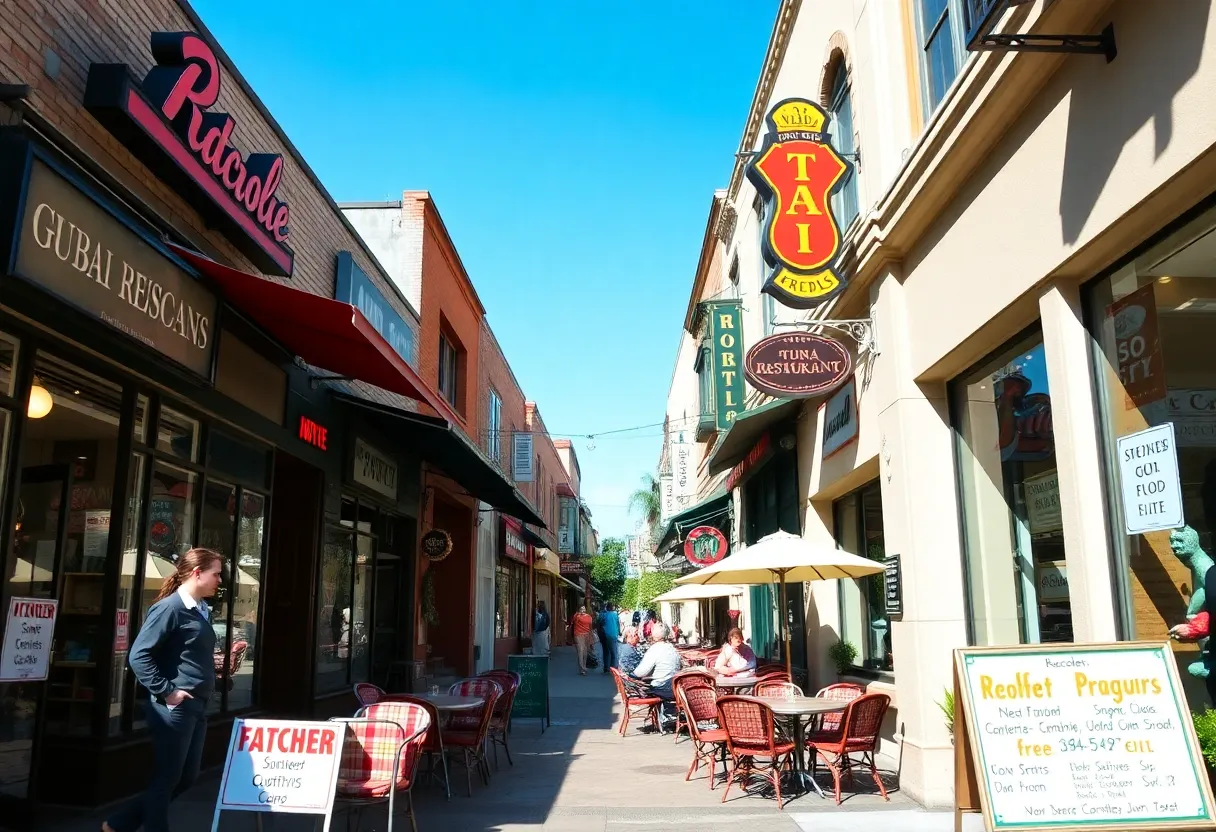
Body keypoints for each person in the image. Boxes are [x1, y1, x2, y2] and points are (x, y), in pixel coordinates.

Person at [103, 548, 224, 832]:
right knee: (167, 779)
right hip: (176, 708)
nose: (220, 580)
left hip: (198, 705)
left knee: (185, 779)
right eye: (216, 573)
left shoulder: (200, 608)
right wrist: (168, 691)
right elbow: (138, 656)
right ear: (197, 573)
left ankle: (117, 824)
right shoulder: (169, 608)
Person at [631, 622, 682, 722]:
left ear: (653, 634)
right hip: (675, 686)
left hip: (662, 687)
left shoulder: (655, 649)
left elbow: (641, 672)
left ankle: (663, 717)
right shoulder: (672, 648)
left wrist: (632, 675)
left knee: (644, 686)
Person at [569, 604, 594, 676]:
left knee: (585, 652)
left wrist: (591, 637)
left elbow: (590, 627)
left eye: (584, 609)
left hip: (587, 635)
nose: (583, 610)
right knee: (580, 651)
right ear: (579, 610)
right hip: (578, 635)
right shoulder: (576, 616)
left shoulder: (589, 617)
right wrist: (578, 613)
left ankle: (584, 666)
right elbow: (572, 622)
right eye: (581, 609)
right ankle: (582, 668)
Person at [598, 602, 621, 672]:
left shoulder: (603, 615)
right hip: (612, 635)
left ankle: (606, 667)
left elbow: (599, 624)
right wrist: (619, 632)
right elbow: (618, 624)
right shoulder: (615, 615)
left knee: (606, 652)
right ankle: (613, 668)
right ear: (612, 608)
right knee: (613, 652)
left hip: (604, 635)